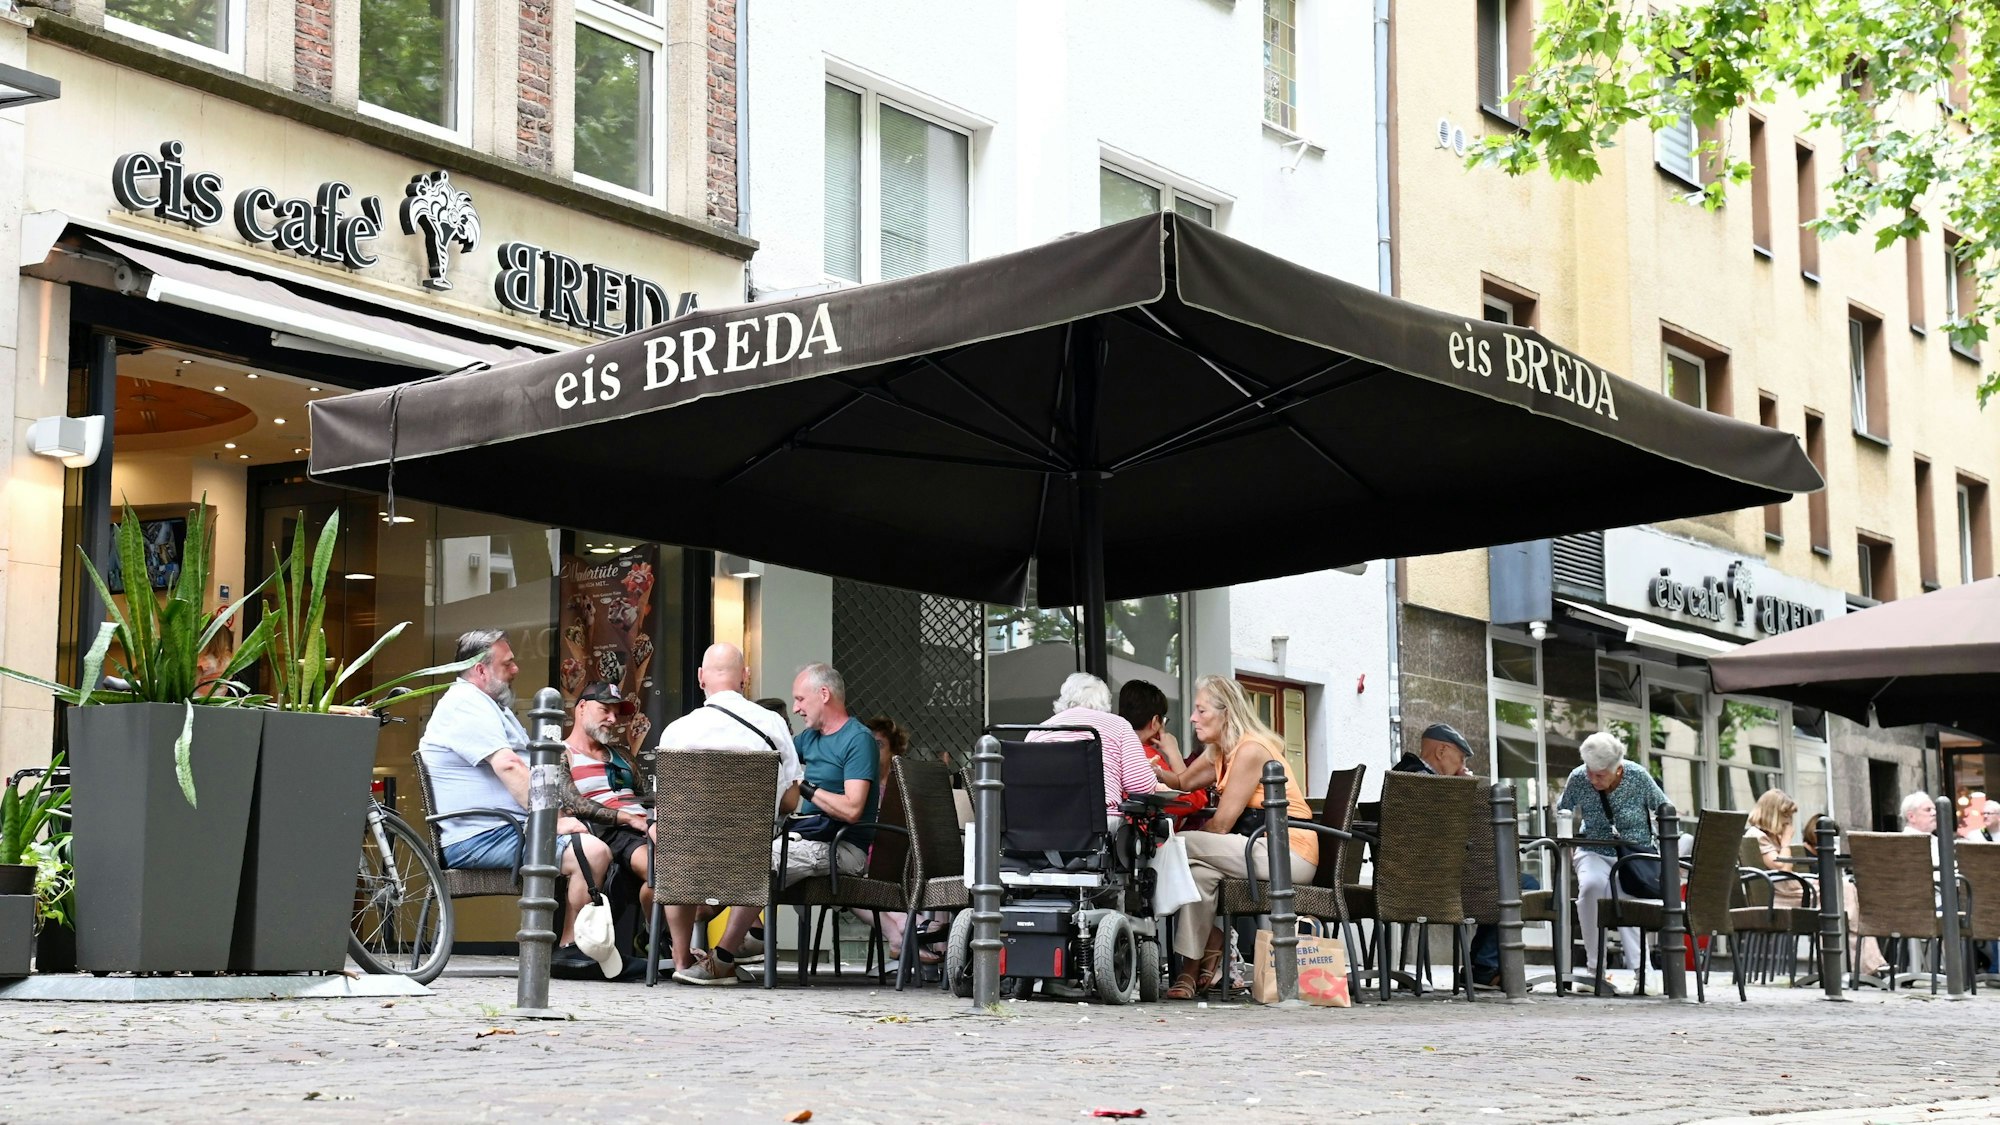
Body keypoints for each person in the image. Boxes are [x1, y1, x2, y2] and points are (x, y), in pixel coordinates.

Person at [417, 630, 611, 957]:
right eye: (508, 663)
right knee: (592, 852)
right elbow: (509, 765)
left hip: (505, 828)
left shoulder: (492, 705)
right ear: (480, 669)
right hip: (481, 836)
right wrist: (550, 821)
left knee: (602, 836)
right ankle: (571, 948)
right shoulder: (465, 703)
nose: (517, 669)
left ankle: (587, 945)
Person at [654, 642, 802, 986]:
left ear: (701, 678)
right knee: (760, 854)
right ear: (745, 677)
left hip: (686, 856)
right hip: (745, 856)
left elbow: (667, 806)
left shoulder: (675, 732)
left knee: (672, 847)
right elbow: (790, 802)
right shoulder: (772, 725)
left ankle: (681, 959)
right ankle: (723, 955)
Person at [1168, 675, 1317, 1000]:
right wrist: (1147, 760)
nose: (1193, 718)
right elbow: (1180, 781)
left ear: (1226, 713)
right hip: (1256, 848)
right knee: (1199, 874)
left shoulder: (1250, 750)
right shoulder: (1219, 752)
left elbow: (1221, 825)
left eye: (1201, 710)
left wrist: (1191, 842)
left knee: (1177, 844)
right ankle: (1192, 966)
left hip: (1288, 854)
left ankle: (1195, 936)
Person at [1554, 731, 1666, 987]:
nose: (1592, 778)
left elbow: (1664, 809)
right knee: (1591, 887)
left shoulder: (1637, 775)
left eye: (1600, 773)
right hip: (1593, 848)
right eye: (1589, 770)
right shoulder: (1579, 776)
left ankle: (1643, 973)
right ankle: (1594, 972)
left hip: (1633, 854)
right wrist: (1567, 838)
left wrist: (1658, 847)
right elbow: (1564, 807)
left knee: (1627, 900)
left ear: (1617, 768)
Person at [782, 662, 880, 887]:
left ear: (824, 694)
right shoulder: (809, 738)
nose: (796, 708)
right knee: (751, 858)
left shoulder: (858, 740)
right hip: (809, 840)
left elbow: (852, 809)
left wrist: (804, 787)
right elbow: (776, 758)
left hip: (845, 848)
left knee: (763, 861)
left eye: (800, 699)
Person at [1028, 672, 1159, 821]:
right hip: (1099, 826)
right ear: (1105, 702)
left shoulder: (1038, 731)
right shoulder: (1118, 725)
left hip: (1044, 825)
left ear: (1064, 700)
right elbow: (1141, 786)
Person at [1117, 678, 1210, 826]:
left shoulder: (1112, 749)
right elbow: (1195, 800)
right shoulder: (1146, 755)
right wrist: (1174, 753)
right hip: (1147, 841)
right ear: (1155, 722)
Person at [1746, 789, 1805, 908]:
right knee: (1831, 892)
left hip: (1789, 888)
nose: (1788, 821)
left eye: (1790, 816)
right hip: (1779, 894)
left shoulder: (1775, 836)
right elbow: (1782, 868)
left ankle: (1847, 925)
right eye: (1785, 815)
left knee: (1842, 886)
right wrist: (1786, 842)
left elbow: (1786, 867)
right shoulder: (1757, 835)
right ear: (1772, 814)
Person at [1391, 723, 1475, 776]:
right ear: (1441, 751)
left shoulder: (1407, 772)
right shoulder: (1422, 779)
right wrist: (1465, 787)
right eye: (1461, 759)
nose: (1464, 767)